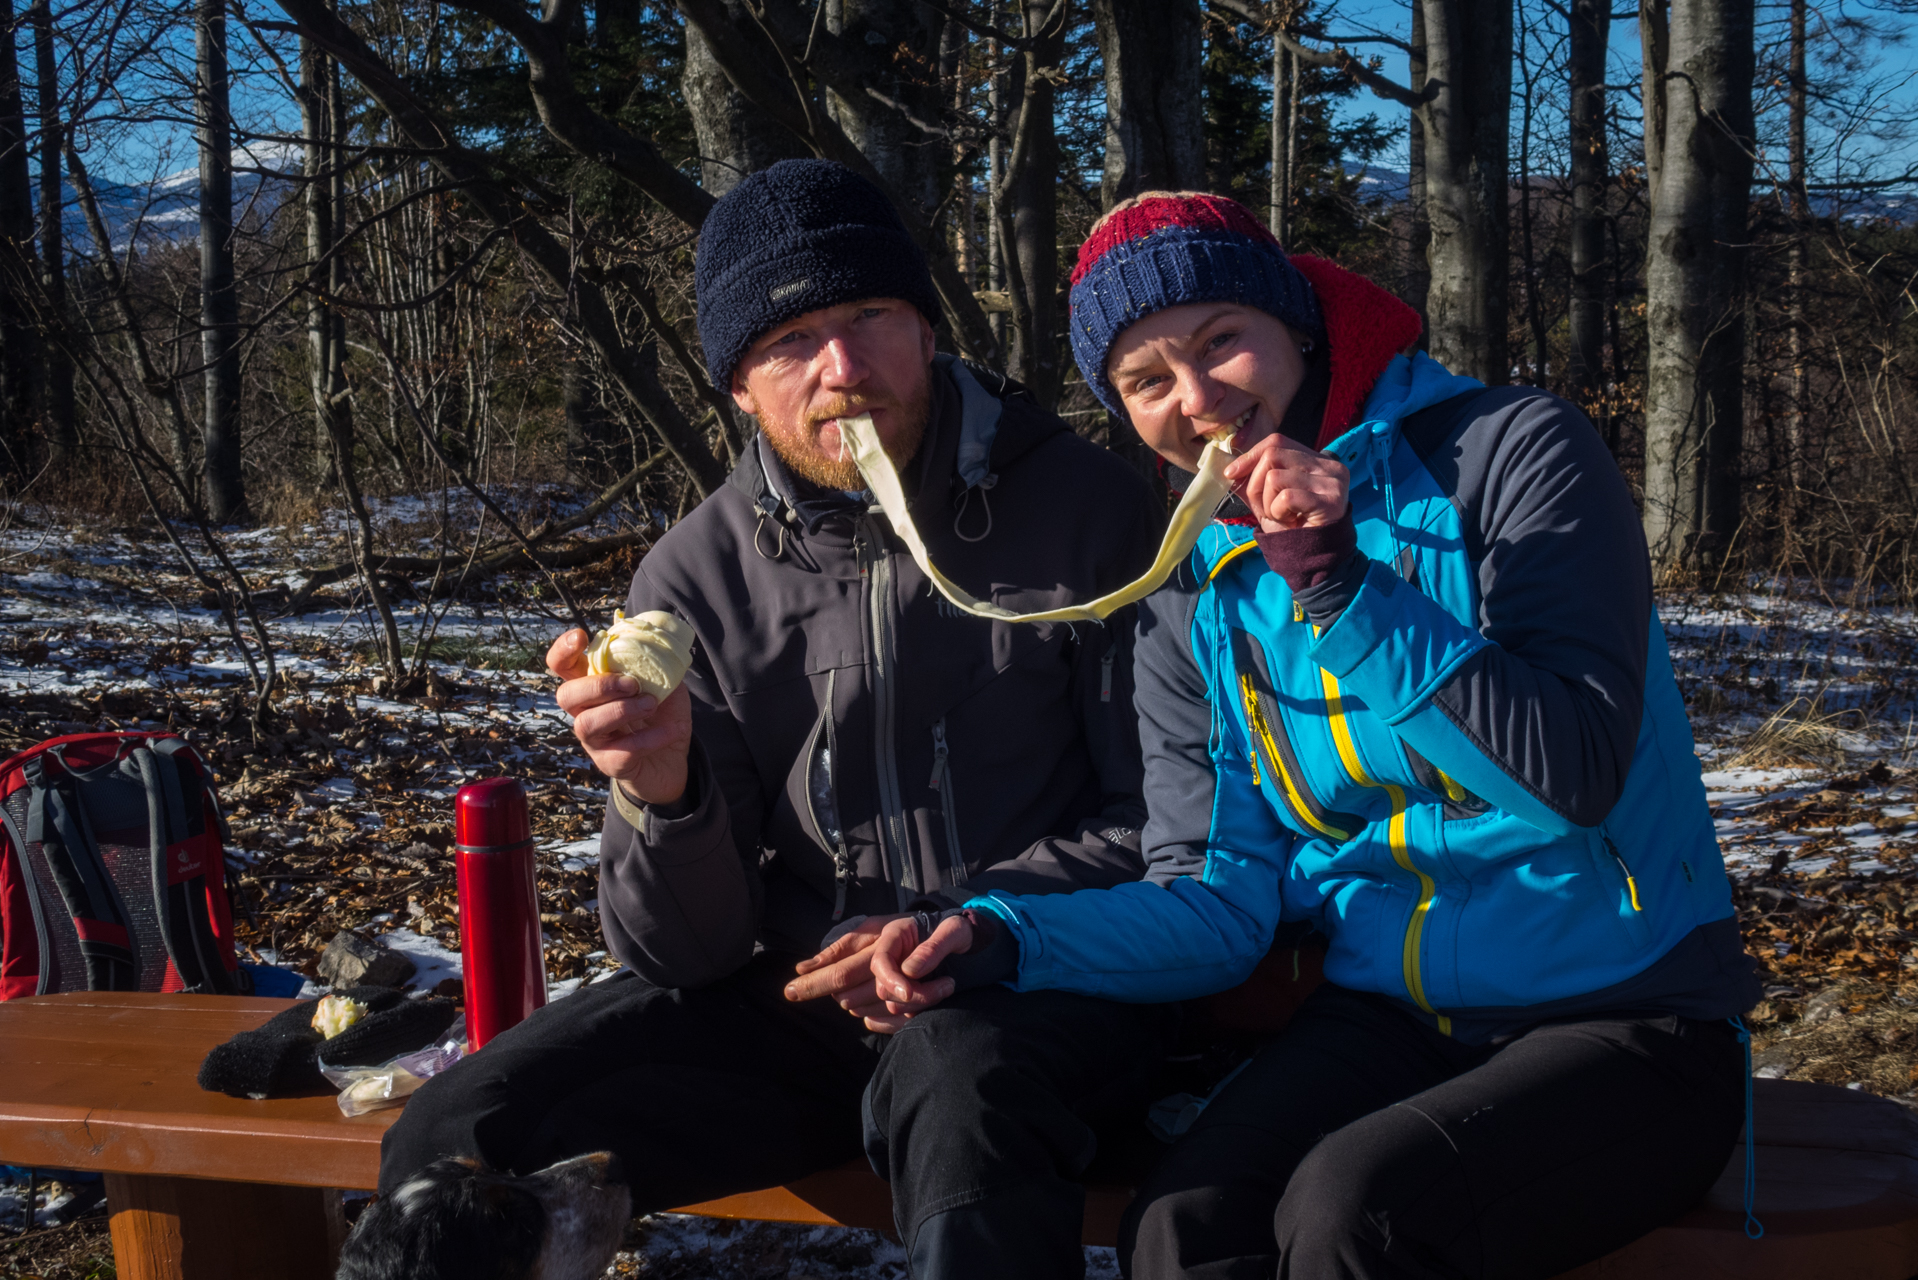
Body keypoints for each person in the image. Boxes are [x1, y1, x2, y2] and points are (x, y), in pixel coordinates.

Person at [856, 192, 1762, 1279]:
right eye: (1146, 381)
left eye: (1219, 341)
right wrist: (1002, 934)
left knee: (1357, 1209)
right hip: (1391, 1017)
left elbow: (1570, 769)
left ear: (1295, 323)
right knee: (1182, 1222)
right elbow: (1216, 899)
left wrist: (1339, 582)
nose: (1196, 400)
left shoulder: (1512, 451)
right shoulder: (1197, 586)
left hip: (1631, 1017)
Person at [378, 159, 1176, 1280]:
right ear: (737, 385)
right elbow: (683, 952)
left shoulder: (1088, 512)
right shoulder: (695, 576)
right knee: (461, 1131)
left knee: (959, 1081)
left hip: (1038, 983)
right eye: (789, 341)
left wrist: (967, 922)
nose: (843, 370)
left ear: (928, 327)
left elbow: (1165, 821)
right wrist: (665, 795)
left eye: (869, 316)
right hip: (806, 1007)